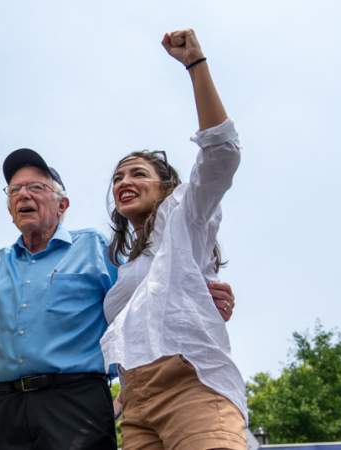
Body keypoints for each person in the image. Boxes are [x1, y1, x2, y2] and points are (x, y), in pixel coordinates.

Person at [0, 149, 236, 450]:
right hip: (6, 407)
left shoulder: (97, 250)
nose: (23, 195)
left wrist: (197, 289)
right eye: (14, 190)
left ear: (63, 205)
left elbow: (148, 288)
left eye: (35, 187)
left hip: (78, 401)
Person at [100, 29, 247, 450]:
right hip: (136, 404)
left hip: (190, 385)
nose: (124, 181)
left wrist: (195, 66)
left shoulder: (186, 215)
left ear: (166, 187)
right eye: (117, 177)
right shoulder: (128, 265)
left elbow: (222, 153)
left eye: (137, 173)